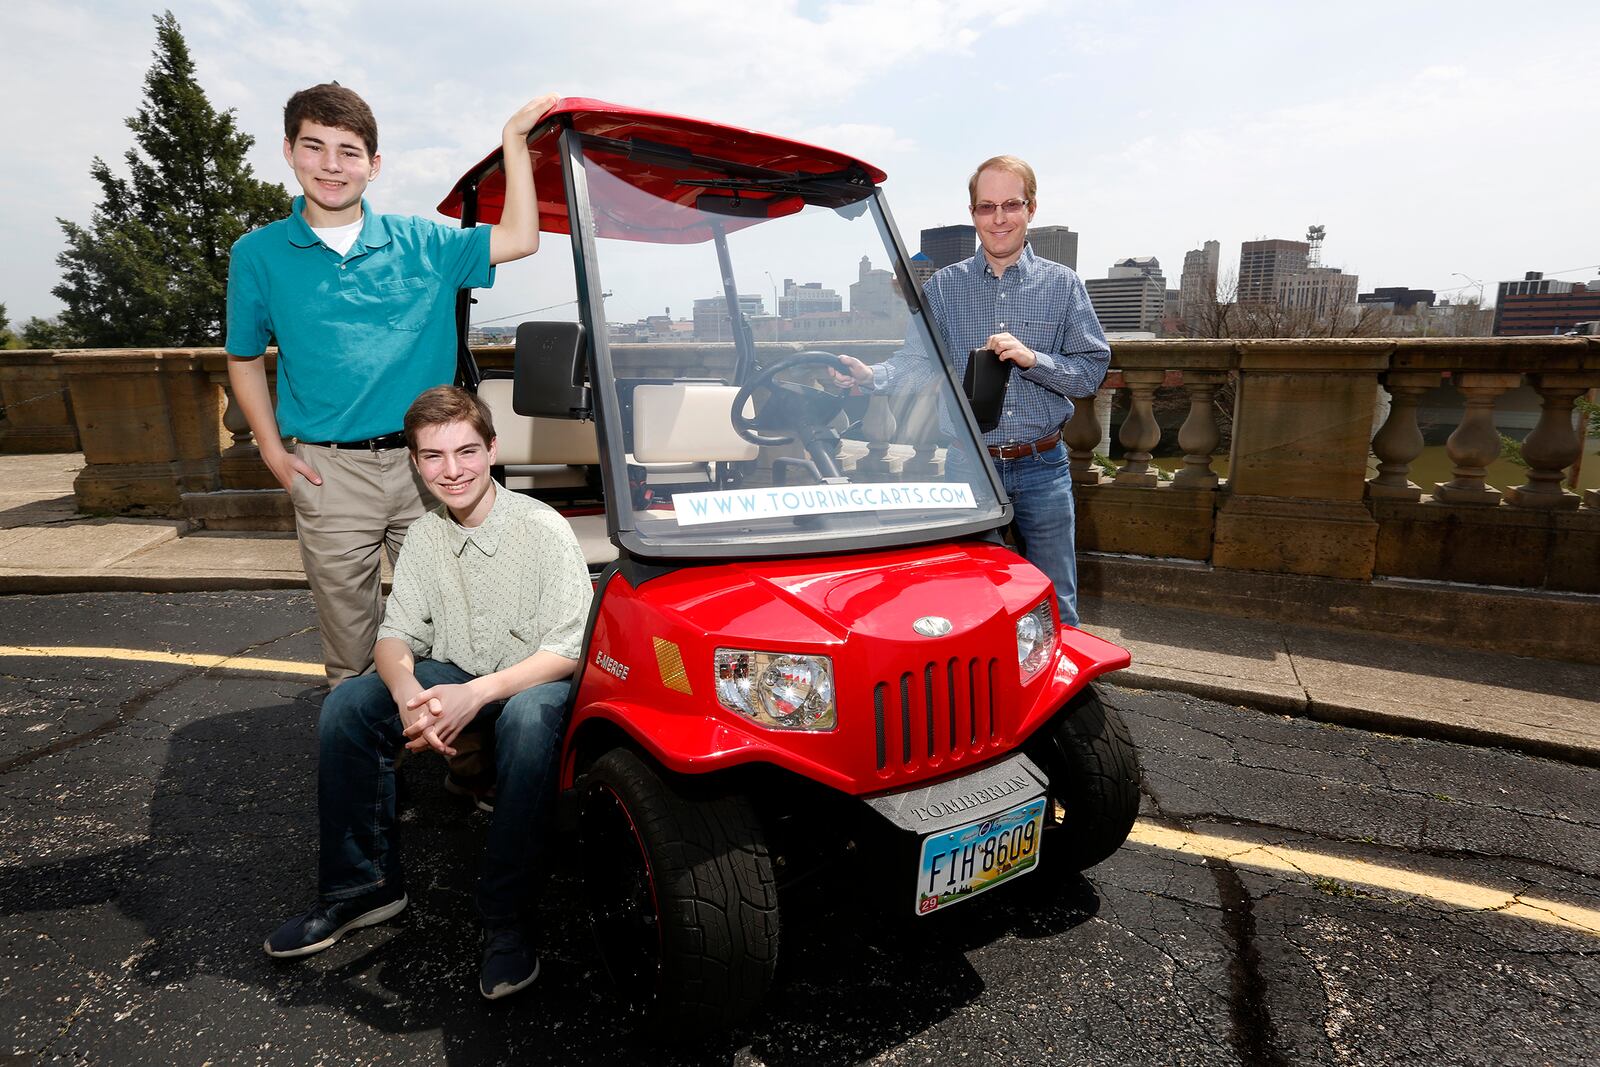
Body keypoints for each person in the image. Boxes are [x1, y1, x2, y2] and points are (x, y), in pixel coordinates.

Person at [264, 386, 593, 1001]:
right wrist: (409, 688)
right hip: (460, 674)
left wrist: (477, 696)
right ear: (414, 463)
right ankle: (362, 889)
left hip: (533, 682)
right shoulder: (424, 536)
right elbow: (394, 636)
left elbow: (570, 651)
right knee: (350, 705)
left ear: (492, 450)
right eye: (434, 457)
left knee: (527, 718)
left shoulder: (542, 528)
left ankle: (506, 918)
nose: (452, 470)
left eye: (466, 451)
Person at [226, 83, 558, 686]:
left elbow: (521, 239)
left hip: (427, 470)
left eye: (349, 151)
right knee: (350, 650)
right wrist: (273, 451)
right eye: (315, 147)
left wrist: (513, 139)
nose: (332, 165)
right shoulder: (257, 254)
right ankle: (372, 773)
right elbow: (243, 357)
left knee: (454, 627)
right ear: (288, 151)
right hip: (329, 473)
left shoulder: (423, 242)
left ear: (373, 165)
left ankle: (467, 768)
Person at [833, 155, 1109, 627]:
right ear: (973, 213)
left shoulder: (1064, 286)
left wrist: (1032, 359)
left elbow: (1089, 373)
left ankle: (1063, 700)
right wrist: (869, 377)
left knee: (1056, 600)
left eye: (1010, 205)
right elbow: (917, 362)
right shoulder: (944, 287)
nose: (998, 218)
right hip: (970, 464)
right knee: (977, 602)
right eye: (986, 207)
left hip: (1043, 465)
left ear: (1030, 209)